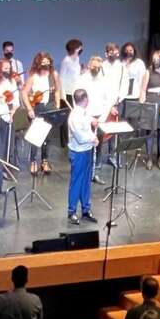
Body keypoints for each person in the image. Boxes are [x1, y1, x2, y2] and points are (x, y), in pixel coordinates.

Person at [78, 56, 118, 184]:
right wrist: (87, 118)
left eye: (99, 67)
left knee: (98, 145)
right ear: (89, 66)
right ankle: (84, 173)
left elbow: (109, 100)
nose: (96, 69)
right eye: (94, 66)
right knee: (85, 145)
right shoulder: (83, 79)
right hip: (86, 117)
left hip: (100, 117)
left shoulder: (104, 81)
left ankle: (94, 172)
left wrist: (102, 118)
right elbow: (77, 100)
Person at [21, 52, 62, 174]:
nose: (46, 64)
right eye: (43, 62)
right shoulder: (33, 76)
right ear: (38, 63)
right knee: (36, 136)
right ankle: (33, 161)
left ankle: (44, 161)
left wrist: (57, 105)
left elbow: (57, 90)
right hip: (38, 107)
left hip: (50, 106)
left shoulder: (53, 75)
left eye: (47, 61)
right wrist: (29, 109)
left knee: (47, 137)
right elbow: (24, 93)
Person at [66, 89, 99, 225]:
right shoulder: (74, 117)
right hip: (78, 153)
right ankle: (71, 211)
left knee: (86, 181)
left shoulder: (83, 113)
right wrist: (93, 138)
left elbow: (86, 120)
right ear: (85, 99)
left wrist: (92, 121)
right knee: (76, 182)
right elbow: (80, 137)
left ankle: (86, 209)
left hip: (86, 151)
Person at [0, 59, 21, 166]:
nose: (8, 71)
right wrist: (0, 98)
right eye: (5, 68)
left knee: (9, 140)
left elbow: (16, 99)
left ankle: (7, 164)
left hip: (9, 112)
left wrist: (12, 112)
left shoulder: (12, 81)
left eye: (9, 68)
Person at [59, 39, 84, 147]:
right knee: (66, 119)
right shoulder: (66, 60)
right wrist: (63, 95)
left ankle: (73, 140)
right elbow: (61, 78)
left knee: (74, 118)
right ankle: (65, 143)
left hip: (75, 92)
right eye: (79, 47)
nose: (81, 49)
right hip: (67, 94)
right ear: (75, 48)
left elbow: (75, 76)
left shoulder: (77, 59)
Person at [120, 42, 146, 109]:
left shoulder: (139, 62)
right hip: (122, 95)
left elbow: (143, 78)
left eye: (130, 50)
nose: (128, 52)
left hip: (135, 94)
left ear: (134, 51)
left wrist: (142, 93)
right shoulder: (122, 62)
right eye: (126, 50)